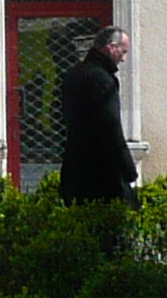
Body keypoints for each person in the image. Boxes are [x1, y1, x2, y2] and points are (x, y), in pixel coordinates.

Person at [58, 25, 138, 202]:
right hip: (101, 174)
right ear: (111, 47)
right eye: (123, 52)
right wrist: (128, 171)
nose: (124, 59)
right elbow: (111, 128)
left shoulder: (73, 74)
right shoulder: (102, 80)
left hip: (74, 168)